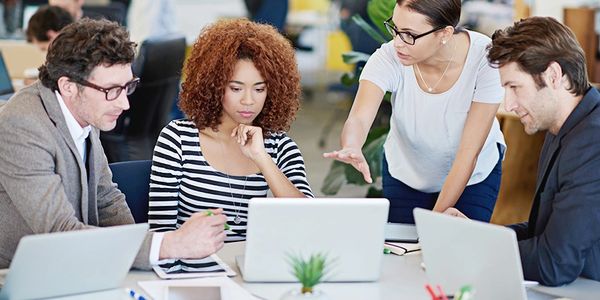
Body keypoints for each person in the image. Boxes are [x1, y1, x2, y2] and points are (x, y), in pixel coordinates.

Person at [0, 19, 226, 270]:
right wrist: (167, 245)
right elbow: (60, 232)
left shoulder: (85, 108)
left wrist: (139, 253)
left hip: (76, 265)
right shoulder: (22, 127)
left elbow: (106, 198)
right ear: (68, 87)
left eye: (127, 87)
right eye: (111, 90)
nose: (124, 104)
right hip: (20, 274)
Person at [445, 16, 600, 286]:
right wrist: (475, 235)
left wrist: (476, 249)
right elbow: (542, 233)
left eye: (515, 87)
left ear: (553, 76)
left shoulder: (592, 142)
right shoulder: (564, 128)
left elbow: (555, 263)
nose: (509, 103)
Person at [324, 0, 505, 224]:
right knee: (401, 248)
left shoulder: (485, 59)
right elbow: (359, 118)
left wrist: (434, 224)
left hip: (474, 176)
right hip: (407, 172)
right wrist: (352, 145)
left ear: (445, 33)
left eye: (409, 34)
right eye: (395, 29)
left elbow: (468, 153)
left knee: (457, 252)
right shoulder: (389, 57)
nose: (398, 43)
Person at [149, 18, 314, 242]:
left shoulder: (280, 147)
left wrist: (262, 158)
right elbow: (160, 234)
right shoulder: (178, 139)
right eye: (236, 88)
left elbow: (308, 220)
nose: (248, 101)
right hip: (192, 268)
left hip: (252, 269)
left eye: (259, 89)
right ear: (214, 86)